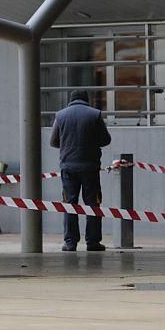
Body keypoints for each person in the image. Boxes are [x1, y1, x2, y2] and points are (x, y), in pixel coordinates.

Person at [49, 89, 112, 251]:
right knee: (92, 203)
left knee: (70, 204)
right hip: (90, 167)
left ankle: (70, 242)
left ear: (71, 99)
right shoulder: (95, 114)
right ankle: (92, 242)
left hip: (68, 167)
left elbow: (54, 141)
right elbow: (106, 139)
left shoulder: (60, 115)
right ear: (87, 99)